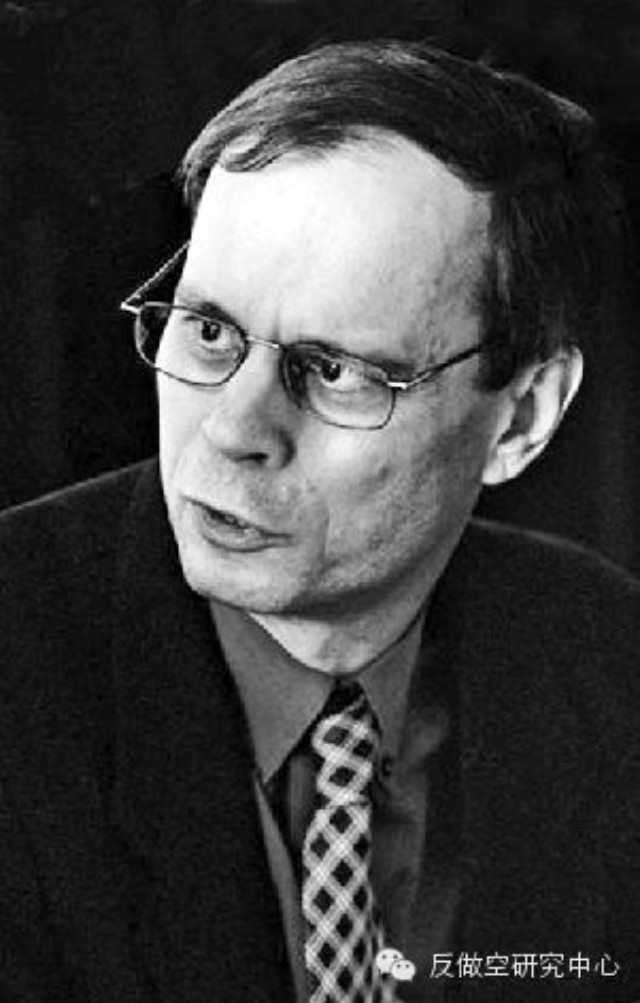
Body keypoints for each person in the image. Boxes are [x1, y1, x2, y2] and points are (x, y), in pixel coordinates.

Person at [0, 39, 638, 1003]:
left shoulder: (609, 661)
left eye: (335, 369)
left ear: (521, 419)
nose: (233, 429)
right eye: (208, 329)